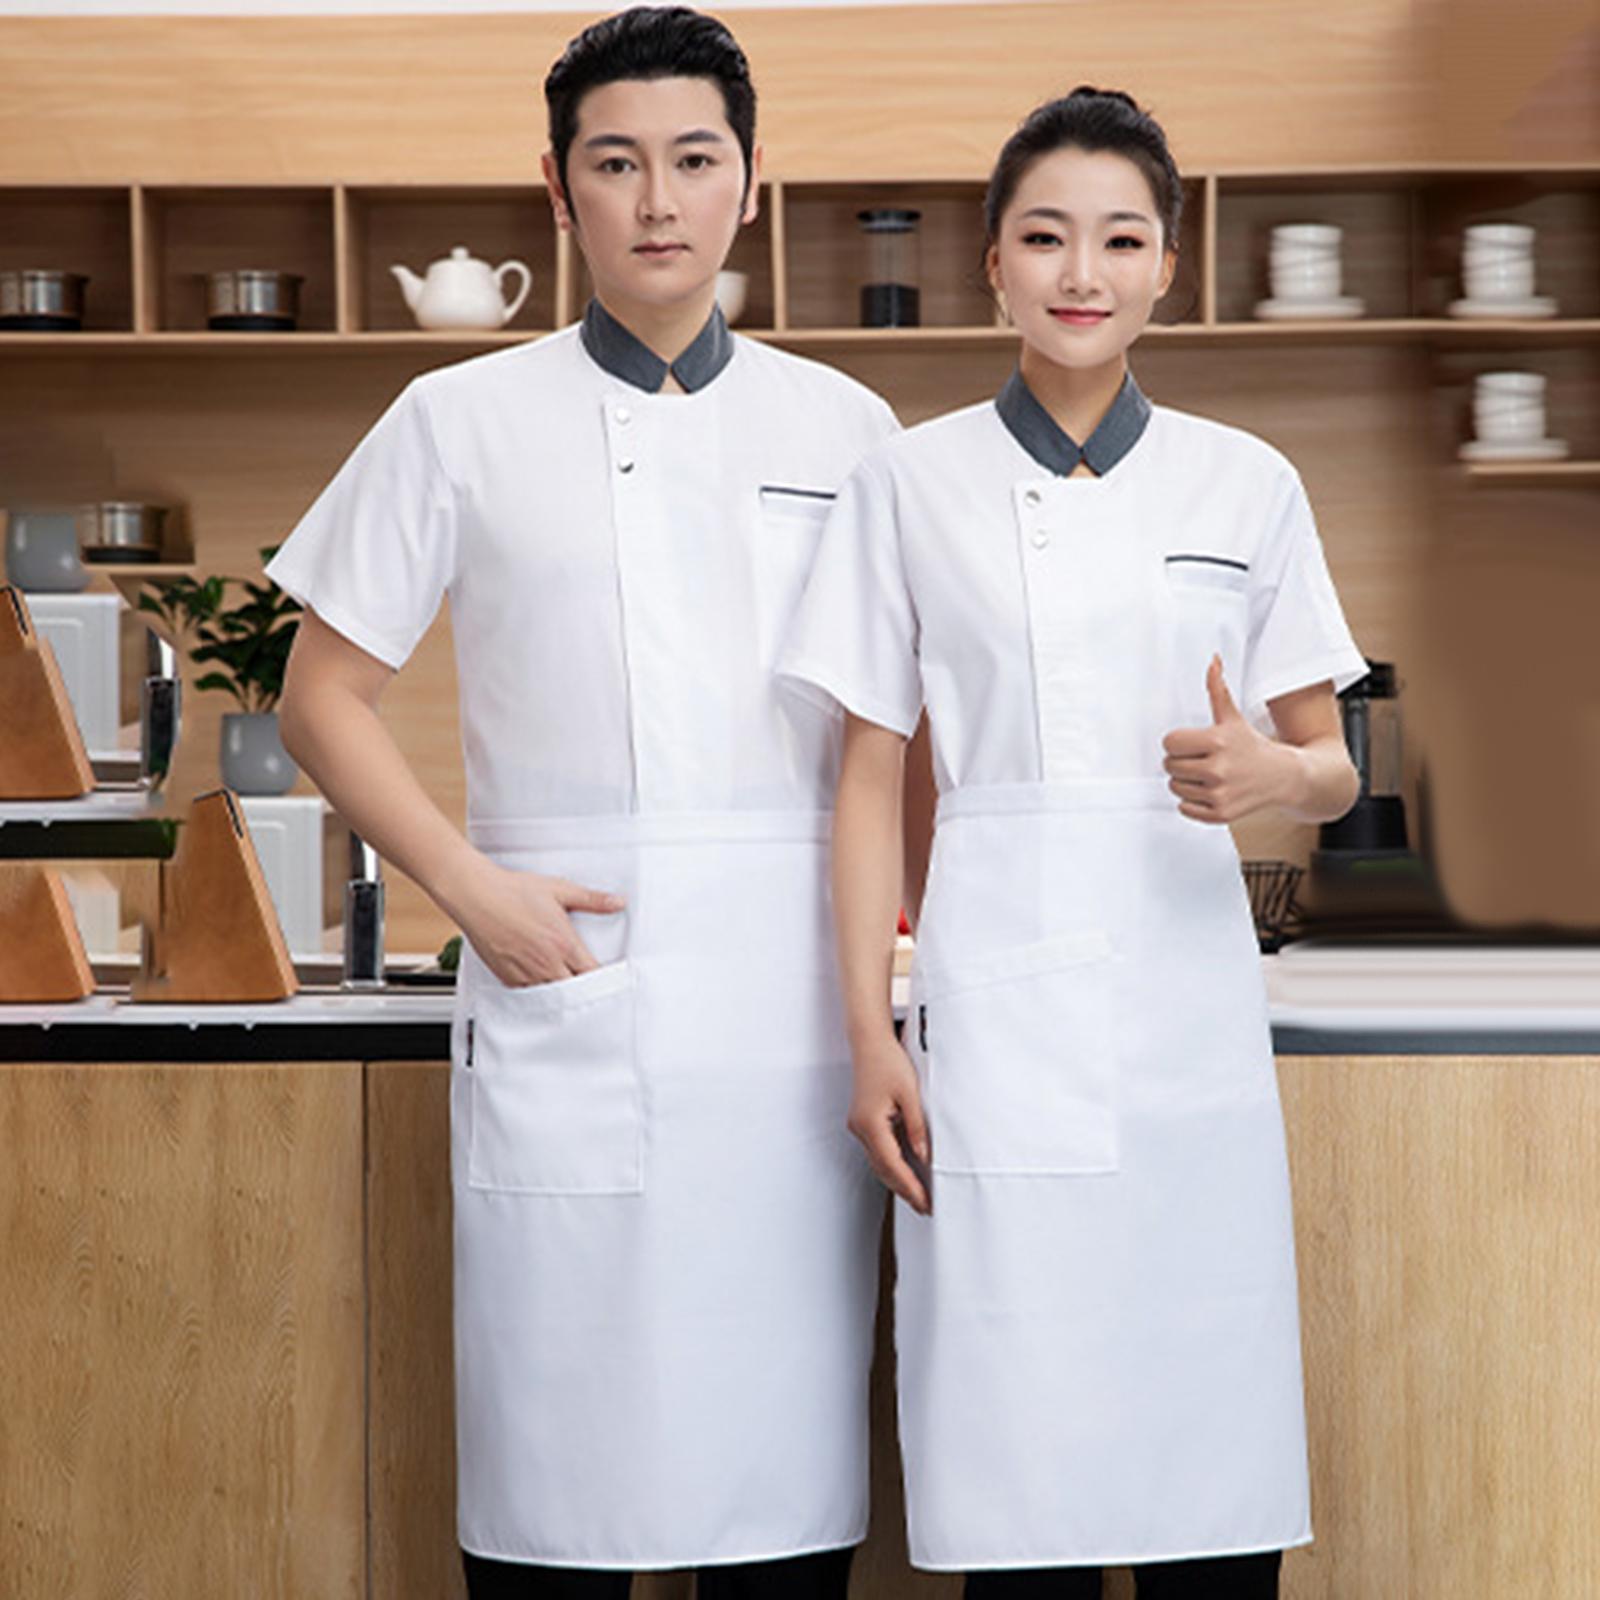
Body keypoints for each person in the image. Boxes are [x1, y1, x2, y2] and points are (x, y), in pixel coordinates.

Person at [265, 9, 899, 1595]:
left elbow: (900, 740)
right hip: (566, 975)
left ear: (751, 181)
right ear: (557, 191)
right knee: (558, 1509)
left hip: (789, 1021)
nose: (658, 200)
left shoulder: (849, 431)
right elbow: (317, 699)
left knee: (782, 1510)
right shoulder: (455, 419)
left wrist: (909, 949)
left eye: (694, 160)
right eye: (616, 164)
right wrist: (471, 889)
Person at [779, 88, 1366, 1600]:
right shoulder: (910, 482)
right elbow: (865, 781)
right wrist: (869, 1037)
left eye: (1119, 238)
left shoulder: (1247, 482)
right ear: (994, 264)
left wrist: (1267, 773)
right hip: (995, 1027)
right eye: (1045, 237)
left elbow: (1332, 770)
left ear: (1170, 264)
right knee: (1021, 1496)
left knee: (1207, 1485)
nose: (1081, 272)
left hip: (1187, 1030)